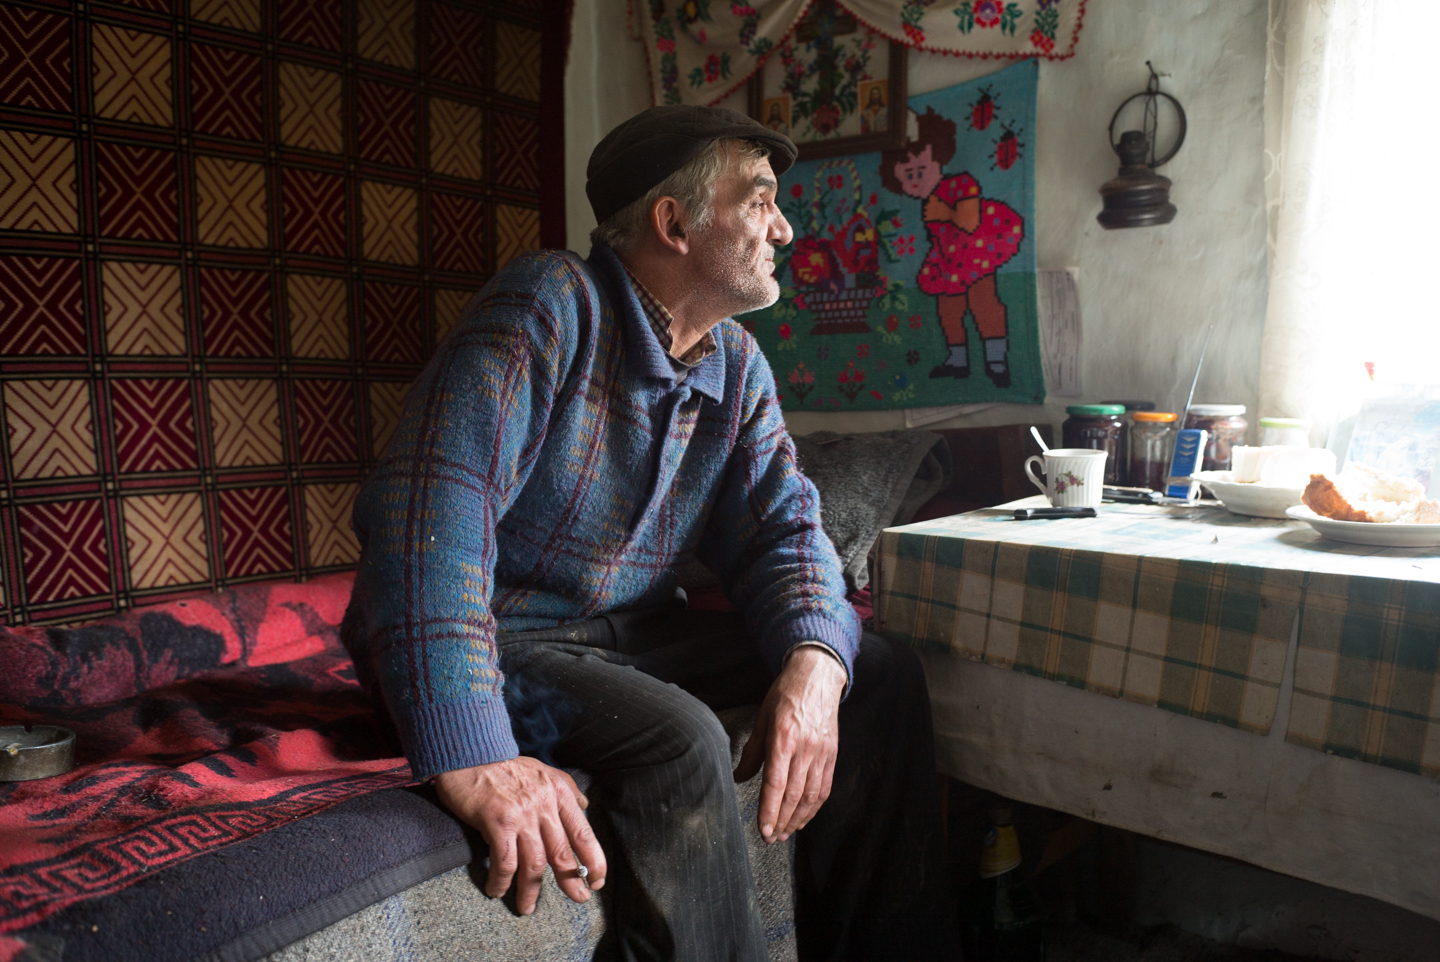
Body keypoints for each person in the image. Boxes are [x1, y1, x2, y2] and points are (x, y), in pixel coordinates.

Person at [342, 104, 956, 962]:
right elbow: (427, 519)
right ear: (673, 223)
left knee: (876, 673)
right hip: (508, 637)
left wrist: (816, 660)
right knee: (681, 739)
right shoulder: (549, 304)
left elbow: (788, 532)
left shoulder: (736, 363)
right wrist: (472, 753)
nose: (783, 225)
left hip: (627, 636)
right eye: (760, 201)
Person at [880, 107, 1024, 387]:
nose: (915, 179)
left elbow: (970, 223)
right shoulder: (930, 199)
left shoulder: (960, 183)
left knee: (985, 306)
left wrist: (944, 213)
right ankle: (958, 362)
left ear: (938, 160)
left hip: (977, 256)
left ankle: (996, 361)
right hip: (947, 263)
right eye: (907, 175)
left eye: (921, 169)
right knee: (949, 311)